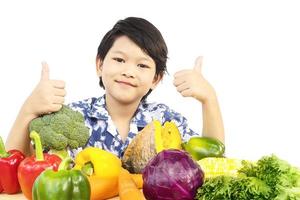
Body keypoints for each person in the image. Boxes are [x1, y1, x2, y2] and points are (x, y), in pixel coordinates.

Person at [5, 17, 224, 158]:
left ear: (156, 79)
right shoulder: (73, 117)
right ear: (100, 65)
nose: (129, 71)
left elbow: (212, 162)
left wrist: (209, 100)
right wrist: (28, 110)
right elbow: (17, 165)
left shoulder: (166, 121)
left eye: (142, 65)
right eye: (119, 60)